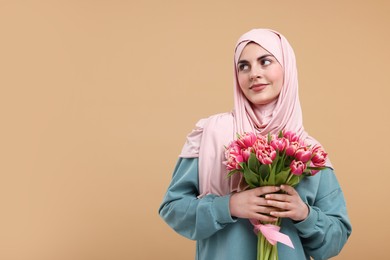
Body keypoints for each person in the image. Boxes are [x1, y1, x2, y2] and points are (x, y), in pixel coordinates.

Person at [159, 28, 352, 260]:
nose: (254, 74)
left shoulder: (308, 151)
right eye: (244, 66)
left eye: (265, 61)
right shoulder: (210, 134)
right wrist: (228, 206)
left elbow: (334, 241)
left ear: (287, 68)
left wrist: (304, 214)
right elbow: (173, 208)